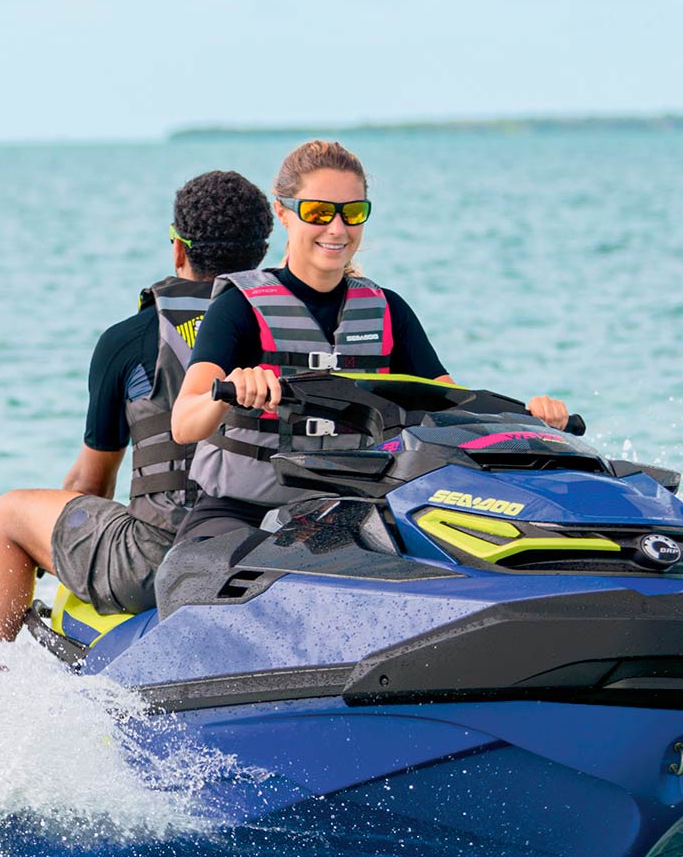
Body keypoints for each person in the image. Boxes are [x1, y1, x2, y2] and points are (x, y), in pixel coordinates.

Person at [153, 137, 570, 612]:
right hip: (241, 514)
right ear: (284, 213)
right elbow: (184, 423)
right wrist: (227, 393)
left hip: (349, 517)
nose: (337, 227)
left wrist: (529, 420)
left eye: (352, 212)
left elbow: (453, 413)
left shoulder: (387, 311)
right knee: (197, 583)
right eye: (318, 211)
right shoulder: (238, 308)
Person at [0, 169, 275, 639]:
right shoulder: (292, 331)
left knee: (10, 513)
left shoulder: (128, 341)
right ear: (262, 256)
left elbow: (90, 486)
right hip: (268, 548)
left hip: (158, 562)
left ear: (179, 247)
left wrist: (58, 549)